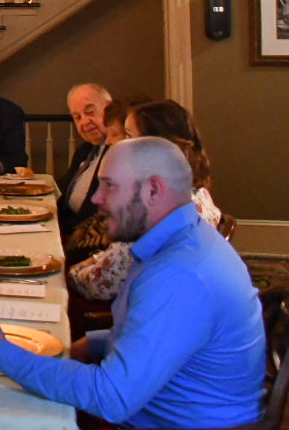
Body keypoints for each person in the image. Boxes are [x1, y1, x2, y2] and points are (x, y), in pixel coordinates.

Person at [0, 137, 265, 429]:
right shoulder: (183, 239)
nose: (97, 198)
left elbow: (111, 397)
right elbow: (163, 334)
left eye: (109, 186)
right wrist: (95, 342)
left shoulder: (180, 275)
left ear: (153, 190)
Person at [68, 100, 223, 302]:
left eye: (129, 136)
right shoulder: (194, 190)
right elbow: (121, 260)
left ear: (156, 145)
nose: (118, 143)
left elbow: (101, 285)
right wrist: (96, 260)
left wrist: (69, 273)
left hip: (130, 307)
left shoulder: (155, 208)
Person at [57, 84, 113, 237]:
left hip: (86, 241)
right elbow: (65, 188)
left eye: (90, 112)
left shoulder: (117, 153)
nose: (84, 122)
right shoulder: (86, 149)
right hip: (63, 230)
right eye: (77, 117)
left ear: (109, 108)